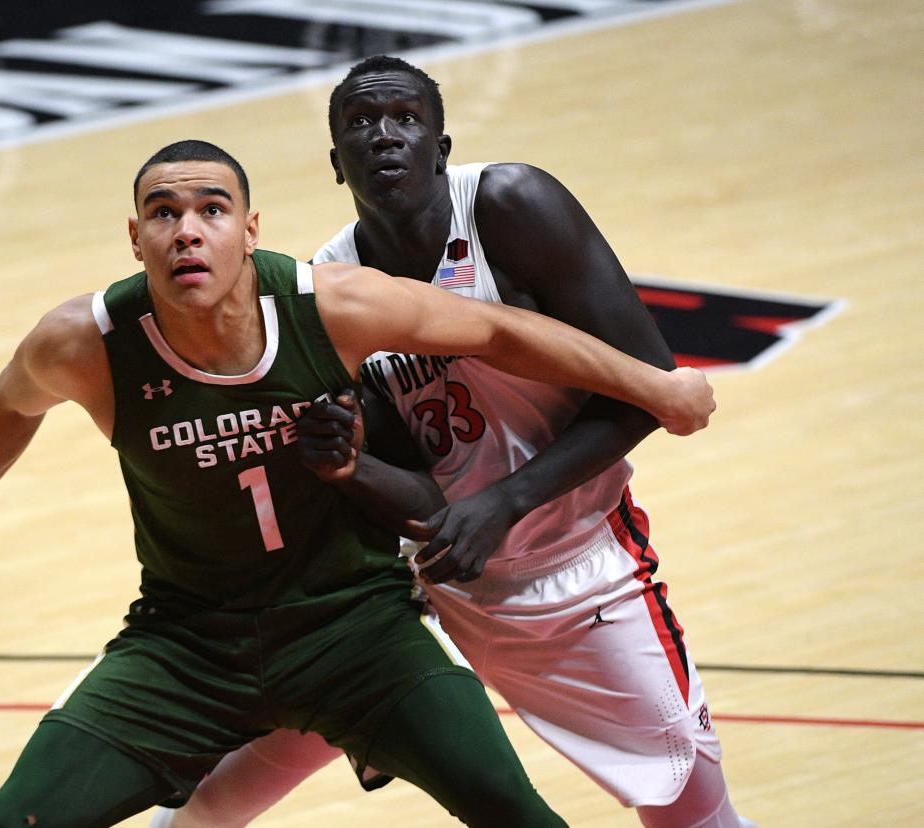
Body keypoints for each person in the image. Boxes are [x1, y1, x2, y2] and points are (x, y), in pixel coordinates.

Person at [0, 138, 714, 828]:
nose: (187, 231)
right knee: (11, 820)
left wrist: (655, 385)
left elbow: (501, 330)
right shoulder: (87, 341)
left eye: (212, 210)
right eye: (163, 213)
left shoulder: (330, 306)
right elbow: (6, 411)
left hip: (353, 630)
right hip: (186, 643)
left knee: (514, 811)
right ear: (135, 238)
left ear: (250, 229)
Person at [152, 58, 755, 828]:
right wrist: (348, 466)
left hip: (580, 570)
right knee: (230, 784)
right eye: (360, 126)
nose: (384, 136)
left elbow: (646, 386)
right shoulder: (331, 286)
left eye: (405, 118)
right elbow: (422, 496)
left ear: (441, 144)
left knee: (692, 811)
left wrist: (504, 502)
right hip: (435, 579)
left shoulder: (510, 205)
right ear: (336, 164)